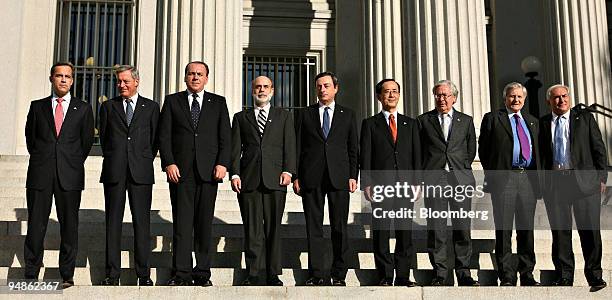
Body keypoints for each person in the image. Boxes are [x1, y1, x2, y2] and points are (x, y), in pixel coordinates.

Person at [158, 61, 231, 286]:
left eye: (199, 74)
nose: (195, 77)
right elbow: (164, 136)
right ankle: (181, 274)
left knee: (203, 225)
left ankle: (202, 273)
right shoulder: (172, 101)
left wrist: (223, 164)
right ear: (185, 77)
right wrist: (168, 163)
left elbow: (225, 138)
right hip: (180, 173)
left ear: (206, 78)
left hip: (209, 173)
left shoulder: (218, 103)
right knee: (182, 224)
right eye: (191, 73)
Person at [24, 62, 94, 289]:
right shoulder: (37, 107)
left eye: (68, 76)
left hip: (70, 175)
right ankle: (31, 272)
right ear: (51, 78)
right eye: (59, 76)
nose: (63, 80)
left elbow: (85, 144)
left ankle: (66, 275)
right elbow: (31, 140)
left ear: (73, 80)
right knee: (36, 225)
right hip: (40, 173)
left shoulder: (83, 109)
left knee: (69, 226)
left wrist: (69, 162)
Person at [293, 71, 359, 286]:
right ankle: (317, 274)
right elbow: (297, 147)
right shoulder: (304, 114)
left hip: (339, 177)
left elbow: (352, 149)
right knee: (314, 227)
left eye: (327, 86)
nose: (323, 89)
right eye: (319, 86)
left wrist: (352, 175)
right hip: (311, 177)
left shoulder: (348, 115)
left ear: (335, 88)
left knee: (339, 226)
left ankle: (339, 274)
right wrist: (296, 176)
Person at [230, 75, 296, 286]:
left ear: (273, 91)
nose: (261, 90)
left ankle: (273, 273)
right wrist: (235, 173)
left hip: (276, 180)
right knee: (252, 228)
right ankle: (254, 273)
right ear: (252, 90)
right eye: (257, 86)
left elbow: (290, 146)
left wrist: (289, 171)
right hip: (249, 180)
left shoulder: (284, 116)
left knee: (274, 228)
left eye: (266, 86)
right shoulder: (241, 117)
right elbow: (235, 149)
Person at [539, 84, 607, 289]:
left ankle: (594, 275)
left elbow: (598, 148)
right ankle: (565, 275)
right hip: (556, 184)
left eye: (564, 96)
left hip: (585, 184)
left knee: (590, 230)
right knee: (560, 232)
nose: (561, 100)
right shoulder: (542, 123)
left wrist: (602, 178)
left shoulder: (585, 119)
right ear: (549, 101)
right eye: (556, 97)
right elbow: (541, 156)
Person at [98, 65, 159, 286]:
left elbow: (154, 140)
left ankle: (143, 275)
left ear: (136, 82)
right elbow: (105, 139)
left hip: (141, 172)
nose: (121, 85)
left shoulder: (151, 107)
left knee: (142, 224)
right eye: (119, 81)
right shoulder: (107, 107)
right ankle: (112, 275)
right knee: (113, 223)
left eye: (125, 81)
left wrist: (140, 159)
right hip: (114, 171)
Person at [417, 80, 478, 286]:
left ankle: (464, 273)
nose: (441, 99)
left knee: (462, 228)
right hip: (434, 178)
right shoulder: (423, 120)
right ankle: (441, 274)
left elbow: (470, 150)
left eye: (445, 95)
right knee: (437, 229)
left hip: (460, 178)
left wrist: (458, 167)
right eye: (437, 95)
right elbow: (419, 151)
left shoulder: (466, 120)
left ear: (454, 97)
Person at [479, 82, 541, 286]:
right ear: (505, 98)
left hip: (527, 180)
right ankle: (506, 275)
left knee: (526, 229)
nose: (515, 100)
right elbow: (484, 150)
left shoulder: (532, 121)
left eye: (519, 97)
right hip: (504, 179)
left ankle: (527, 273)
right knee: (504, 229)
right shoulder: (493, 118)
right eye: (511, 96)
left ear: (524, 99)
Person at [360, 79, 420, 287]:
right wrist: (366, 183)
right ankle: (385, 275)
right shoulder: (369, 124)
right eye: (387, 92)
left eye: (395, 91)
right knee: (381, 232)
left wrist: (417, 182)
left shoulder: (411, 124)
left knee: (405, 232)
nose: (391, 95)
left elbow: (416, 156)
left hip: (405, 185)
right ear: (379, 96)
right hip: (380, 186)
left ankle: (403, 275)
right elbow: (365, 155)